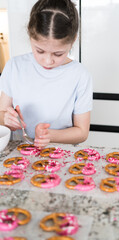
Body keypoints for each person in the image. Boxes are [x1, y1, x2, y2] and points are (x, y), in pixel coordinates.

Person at [0, 0, 92, 148]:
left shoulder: (80, 75)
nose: (48, 61)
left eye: (58, 53)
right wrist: (6, 118)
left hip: (61, 155)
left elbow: (82, 132)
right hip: (19, 155)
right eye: (40, 51)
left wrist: (49, 135)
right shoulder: (14, 67)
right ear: (30, 36)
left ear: (73, 40)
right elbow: (1, 113)